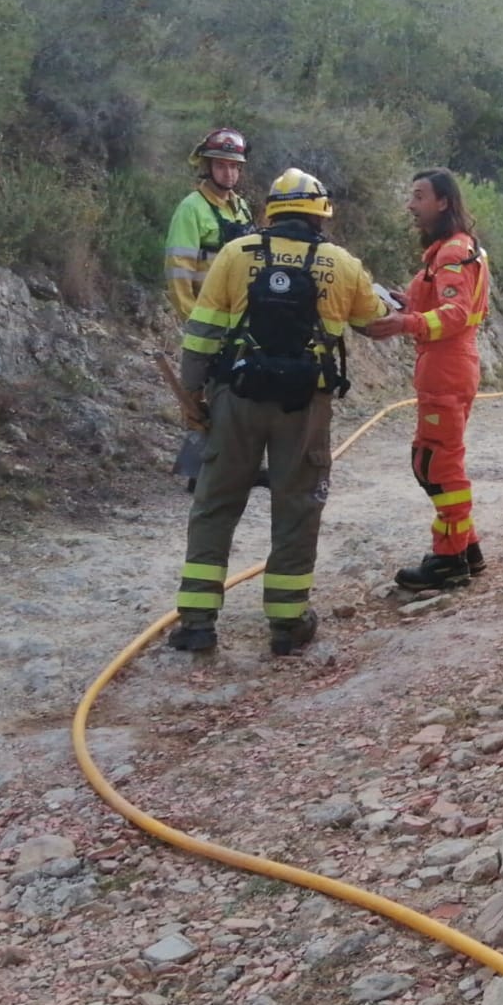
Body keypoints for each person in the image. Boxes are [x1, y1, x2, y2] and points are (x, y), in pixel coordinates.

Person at [166, 168, 381, 656]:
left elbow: (200, 335)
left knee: (215, 504)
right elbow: (372, 321)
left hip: (236, 398)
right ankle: (287, 623)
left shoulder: (235, 254)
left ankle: (197, 623)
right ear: (321, 215)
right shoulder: (341, 263)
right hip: (305, 406)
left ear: (271, 211)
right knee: (298, 504)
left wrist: (193, 398)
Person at [364, 169, 492, 591]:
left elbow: (454, 315)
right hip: (446, 365)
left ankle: (450, 558)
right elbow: (446, 303)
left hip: (447, 366)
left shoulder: (453, 252)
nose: (411, 205)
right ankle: (466, 548)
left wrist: (405, 322)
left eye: (419, 196)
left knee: (438, 465)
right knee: (434, 459)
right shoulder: (451, 249)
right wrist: (406, 302)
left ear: (442, 202)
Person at [165, 127, 255, 319]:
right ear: (208, 167)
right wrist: (192, 318)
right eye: (221, 166)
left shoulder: (242, 207)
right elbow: (178, 269)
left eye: (233, 166)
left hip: (240, 319)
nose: (228, 173)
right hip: (206, 318)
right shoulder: (191, 208)